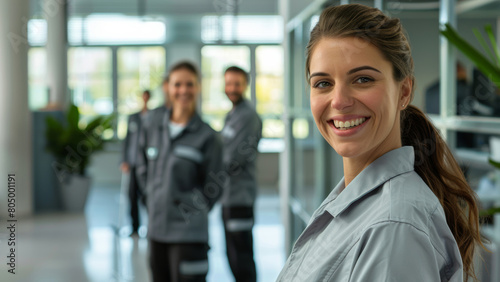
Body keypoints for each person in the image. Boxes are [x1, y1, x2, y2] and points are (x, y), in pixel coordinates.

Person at [277, 4, 483, 282]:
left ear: (404, 92)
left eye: (362, 79)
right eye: (323, 83)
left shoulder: (394, 226)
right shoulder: (355, 200)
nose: (338, 101)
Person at [136, 61, 223, 282]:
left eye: (189, 84)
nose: (183, 90)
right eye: (177, 84)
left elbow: (214, 186)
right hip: (156, 231)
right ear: (168, 87)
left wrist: (191, 211)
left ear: (198, 88)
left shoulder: (207, 136)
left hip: (189, 235)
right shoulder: (152, 128)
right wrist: (152, 200)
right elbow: (142, 168)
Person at [220, 66, 262, 282]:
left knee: (241, 256)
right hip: (228, 196)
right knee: (232, 253)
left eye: (236, 83)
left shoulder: (248, 117)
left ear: (245, 85)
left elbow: (232, 158)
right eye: (228, 83)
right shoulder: (232, 114)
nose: (232, 88)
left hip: (240, 197)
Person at [121, 90, 150, 235]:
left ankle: (153, 227)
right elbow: (126, 140)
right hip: (133, 163)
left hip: (149, 165)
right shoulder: (133, 117)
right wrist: (124, 160)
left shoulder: (153, 117)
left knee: (148, 196)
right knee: (131, 196)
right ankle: (134, 227)